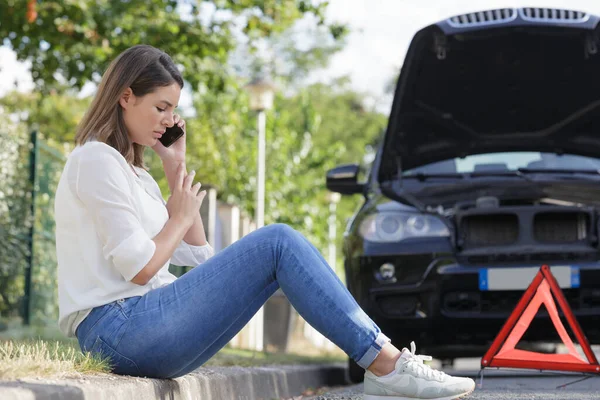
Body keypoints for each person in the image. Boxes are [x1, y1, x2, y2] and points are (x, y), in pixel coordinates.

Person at [54, 44, 475, 400]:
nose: (169, 119)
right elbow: (140, 267)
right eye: (160, 107)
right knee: (277, 243)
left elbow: (198, 256)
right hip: (119, 328)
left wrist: (174, 166)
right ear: (125, 96)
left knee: (279, 245)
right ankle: (387, 365)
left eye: (174, 110)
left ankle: (385, 362)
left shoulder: (137, 175)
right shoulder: (95, 159)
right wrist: (179, 214)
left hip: (147, 324)